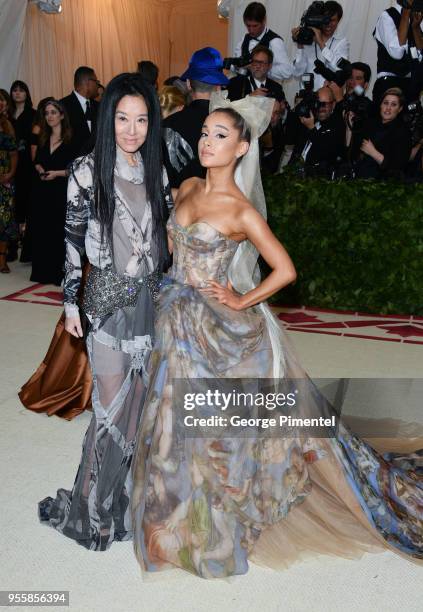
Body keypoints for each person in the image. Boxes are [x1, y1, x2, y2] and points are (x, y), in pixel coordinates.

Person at [131, 91, 423, 579]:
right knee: (166, 415)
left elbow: (284, 269)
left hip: (213, 327)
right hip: (172, 316)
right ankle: (170, 514)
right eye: (205, 133)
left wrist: (242, 300)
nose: (207, 143)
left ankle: (207, 519)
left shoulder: (241, 210)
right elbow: (170, 245)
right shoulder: (184, 187)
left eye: (220, 136)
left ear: (242, 148)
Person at [38, 73, 171, 550]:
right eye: (122, 119)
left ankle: (118, 501)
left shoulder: (156, 171)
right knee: (109, 411)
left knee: (135, 412)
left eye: (141, 120)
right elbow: (72, 245)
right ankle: (91, 510)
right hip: (105, 304)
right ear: (106, 118)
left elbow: (163, 242)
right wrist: (70, 302)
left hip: (147, 304)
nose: (131, 130)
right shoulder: (86, 170)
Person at [163, 47, 229, 188]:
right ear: (218, 87)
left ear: (188, 84)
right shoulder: (230, 127)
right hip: (219, 206)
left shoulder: (167, 124)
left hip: (177, 205)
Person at [30, 100, 75, 286]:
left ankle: (59, 273)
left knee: (58, 231)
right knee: (43, 229)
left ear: (62, 115)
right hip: (43, 190)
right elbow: (38, 161)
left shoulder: (71, 139)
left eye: (53, 112)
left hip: (61, 190)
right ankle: (42, 272)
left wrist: (56, 173)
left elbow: (74, 169)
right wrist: (40, 170)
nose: (49, 116)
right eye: (47, 113)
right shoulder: (43, 137)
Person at [352, 87, 412, 179]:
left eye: (393, 105)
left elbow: (397, 167)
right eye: (386, 103)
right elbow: (354, 152)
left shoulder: (403, 132)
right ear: (381, 105)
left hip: (383, 186)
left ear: (399, 109)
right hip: (359, 179)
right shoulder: (370, 124)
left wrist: (373, 152)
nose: (388, 108)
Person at [373, 1, 423, 107]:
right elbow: (396, 53)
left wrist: (415, 28)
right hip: (388, 84)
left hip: (411, 84)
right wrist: (406, 14)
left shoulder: (417, 16)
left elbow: (420, 56)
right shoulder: (387, 16)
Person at [292, 1, 349, 91]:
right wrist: (300, 44)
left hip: (328, 99)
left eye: (333, 20)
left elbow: (339, 68)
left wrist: (321, 43)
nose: (328, 24)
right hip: (306, 96)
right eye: (326, 19)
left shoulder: (341, 42)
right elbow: (297, 73)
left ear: (338, 21)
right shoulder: (308, 38)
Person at [290, 86, 346, 176]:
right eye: (318, 103)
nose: (321, 108)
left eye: (325, 104)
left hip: (318, 180)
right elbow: (289, 139)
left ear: (333, 104)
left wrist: (312, 129)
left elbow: (326, 153)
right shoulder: (310, 119)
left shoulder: (337, 124)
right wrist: (298, 108)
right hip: (295, 174)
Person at [234, 2, 293, 81]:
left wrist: (262, 68)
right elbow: (236, 66)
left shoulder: (275, 41)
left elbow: (287, 72)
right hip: (243, 89)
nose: (251, 30)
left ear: (264, 20)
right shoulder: (244, 38)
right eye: (248, 25)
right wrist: (234, 65)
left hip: (264, 91)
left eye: (255, 26)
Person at [10, 81, 36, 254]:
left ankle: (27, 246)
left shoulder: (33, 114)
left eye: (21, 90)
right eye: (15, 91)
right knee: (12, 205)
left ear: (27, 94)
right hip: (10, 164)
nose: (18, 93)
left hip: (27, 164)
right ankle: (11, 245)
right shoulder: (6, 115)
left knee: (27, 203)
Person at [61, 66, 100, 156]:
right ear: (88, 82)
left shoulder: (99, 106)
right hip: (71, 163)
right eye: (96, 81)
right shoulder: (63, 105)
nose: (97, 85)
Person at [0, 112, 18, 273]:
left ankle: (2, 260)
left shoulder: (6, 126)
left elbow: (13, 154)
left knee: (4, 221)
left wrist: (10, 174)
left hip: (4, 180)